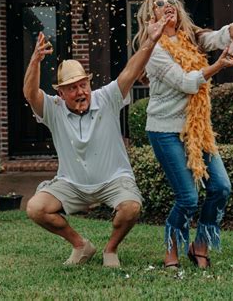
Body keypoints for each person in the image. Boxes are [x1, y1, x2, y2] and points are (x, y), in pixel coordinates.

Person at [23, 15, 167, 268]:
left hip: (113, 180)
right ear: (61, 92)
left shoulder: (107, 98)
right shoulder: (53, 109)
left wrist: (151, 40)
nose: (81, 92)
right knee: (36, 208)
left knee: (131, 207)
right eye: (73, 88)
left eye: (83, 84)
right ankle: (81, 246)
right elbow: (30, 93)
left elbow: (131, 71)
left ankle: (110, 249)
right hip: (71, 184)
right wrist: (35, 60)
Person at [134, 0, 233, 270]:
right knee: (188, 198)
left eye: (172, 3)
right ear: (149, 16)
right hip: (165, 130)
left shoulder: (191, 37)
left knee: (221, 187)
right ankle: (172, 249)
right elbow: (186, 82)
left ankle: (199, 244)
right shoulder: (152, 50)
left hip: (197, 128)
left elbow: (216, 38)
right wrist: (218, 66)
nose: (168, 7)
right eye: (160, 5)